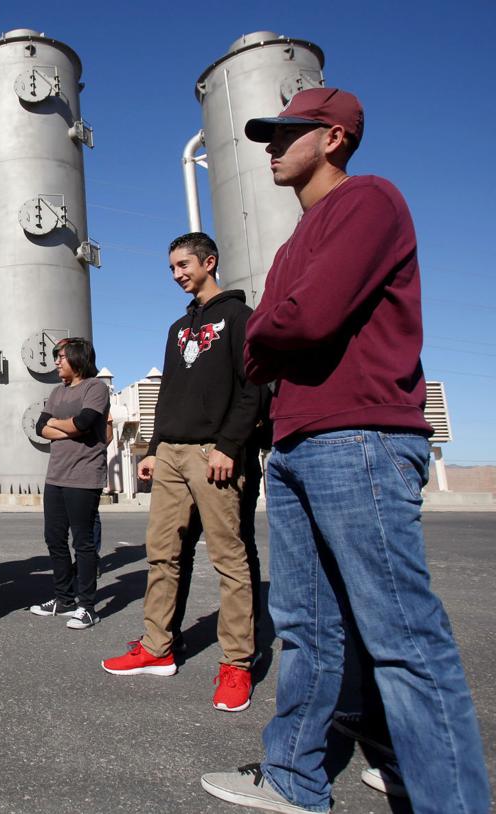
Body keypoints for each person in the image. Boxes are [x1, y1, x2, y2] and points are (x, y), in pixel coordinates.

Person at [200, 87, 490, 813]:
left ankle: (448, 799)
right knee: (307, 629)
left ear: (331, 138)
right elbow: (267, 342)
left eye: (286, 133)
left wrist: (273, 327)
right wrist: (274, 328)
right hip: (296, 442)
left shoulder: (369, 202)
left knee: (400, 635)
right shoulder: (299, 236)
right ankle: (297, 777)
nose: (270, 146)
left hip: (358, 437)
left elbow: (300, 321)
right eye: (266, 136)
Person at [102, 232, 262, 713]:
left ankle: (237, 662)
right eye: (171, 268)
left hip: (216, 452)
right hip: (171, 452)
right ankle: (157, 648)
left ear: (210, 261)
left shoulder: (239, 317)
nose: (177, 275)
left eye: (184, 265)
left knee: (229, 560)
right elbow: (168, 391)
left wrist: (230, 445)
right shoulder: (177, 328)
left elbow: (255, 386)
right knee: (163, 554)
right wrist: (153, 447)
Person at [29, 337, 109, 630]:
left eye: (61, 356)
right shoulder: (56, 392)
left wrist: (62, 426)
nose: (56, 362)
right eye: (55, 357)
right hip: (56, 475)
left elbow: (86, 422)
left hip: (85, 475)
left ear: (77, 358)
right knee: (54, 539)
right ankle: (64, 599)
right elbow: (40, 427)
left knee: (83, 542)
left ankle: (88, 606)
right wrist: (70, 429)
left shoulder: (95, 387)